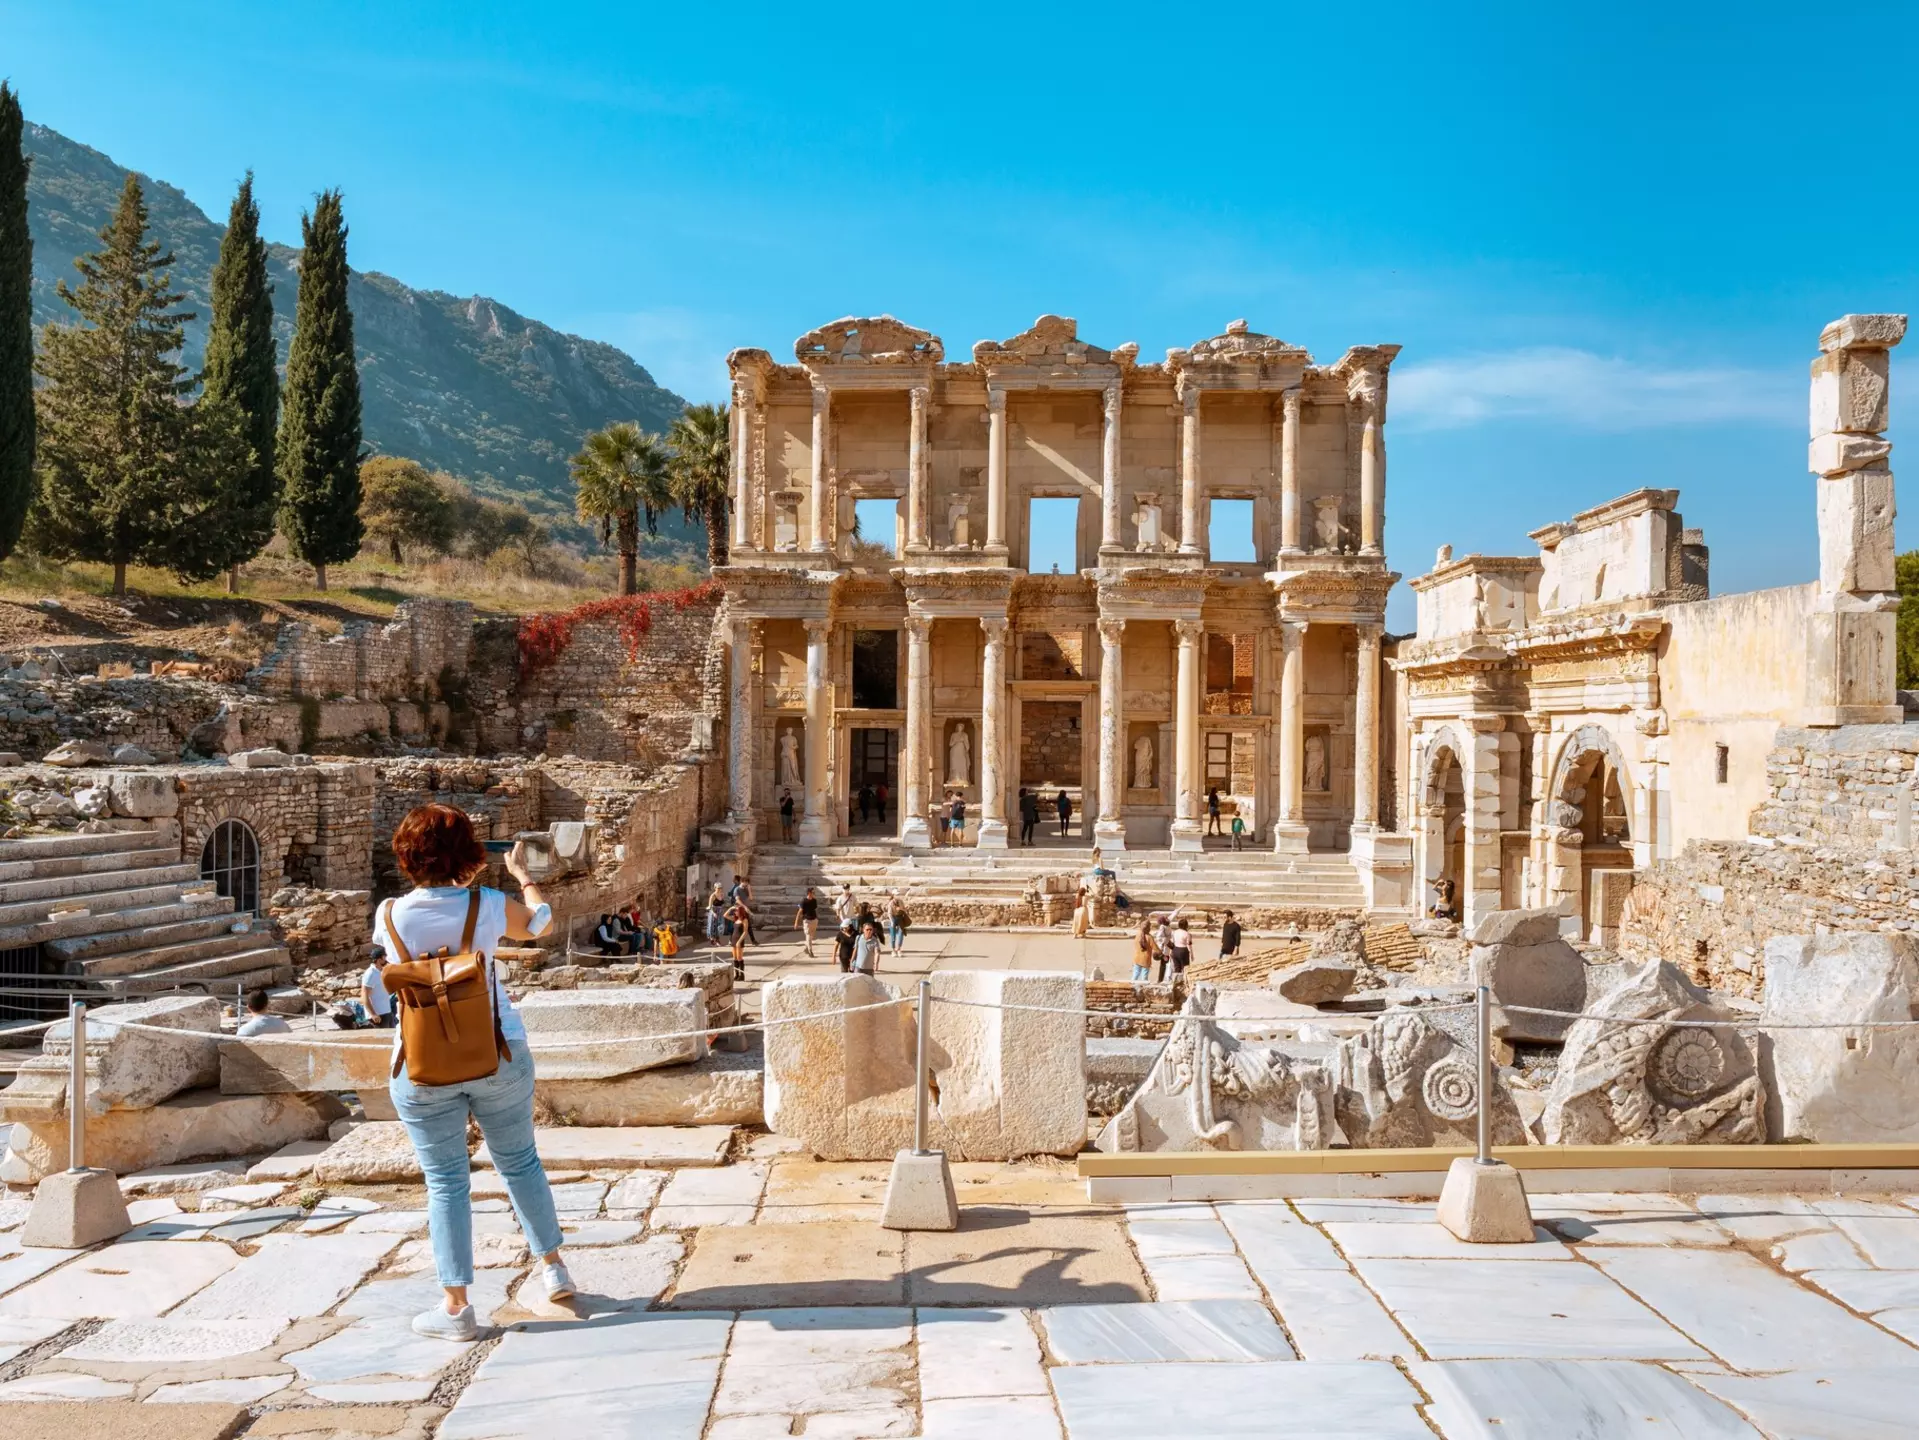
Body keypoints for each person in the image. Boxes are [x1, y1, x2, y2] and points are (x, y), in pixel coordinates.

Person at [376, 802, 570, 1341]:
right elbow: (539, 926)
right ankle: (554, 1268)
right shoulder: (487, 904)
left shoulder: (389, 913)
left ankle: (456, 1307)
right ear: (468, 854)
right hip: (497, 1052)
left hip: (420, 1064)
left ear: (409, 856)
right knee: (520, 1162)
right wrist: (525, 879)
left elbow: (378, 986)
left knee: (445, 1182)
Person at [361, 945, 395, 1029]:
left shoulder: (381, 971)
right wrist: (373, 1014)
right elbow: (364, 996)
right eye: (384, 957)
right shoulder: (370, 974)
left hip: (387, 1012)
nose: (386, 959)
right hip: (378, 1016)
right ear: (379, 960)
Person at [727, 894, 753, 980]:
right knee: (734, 958)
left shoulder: (744, 920)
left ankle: (742, 975)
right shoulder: (735, 919)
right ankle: (736, 974)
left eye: (736, 911)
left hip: (739, 939)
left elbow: (745, 932)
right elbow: (725, 915)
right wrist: (731, 908)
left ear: (740, 911)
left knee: (739, 958)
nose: (735, 912)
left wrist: (739, 941)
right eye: (735, 911)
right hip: (734, 939)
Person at [795, 886, 821, 957]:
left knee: (811, 935)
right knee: (808, 935)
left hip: (814, 920)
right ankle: (810, 951)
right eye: (813, 892)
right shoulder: (803, 901)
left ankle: (807, 944)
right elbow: (799, 912)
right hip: (807, 920)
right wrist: (796, 922)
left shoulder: (814, 900)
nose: (814, 893)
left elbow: (815, 909)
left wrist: (817, 918)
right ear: (809, 893)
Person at [887, 892, 910, 957]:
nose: (898, 895)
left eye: (898, 894)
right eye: (896, 894)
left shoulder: (901, 901)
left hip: (900, 918)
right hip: (893, 918)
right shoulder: (891, 903)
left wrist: (902, 909)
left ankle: (899, 949)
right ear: (893, 895)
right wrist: (891, 922)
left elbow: (904, 910)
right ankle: (893, 950)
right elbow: (889, 913)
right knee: (893, 935)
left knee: (900, 934)